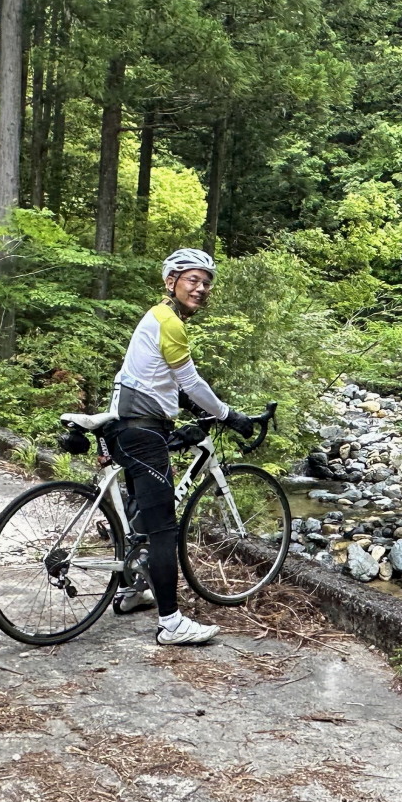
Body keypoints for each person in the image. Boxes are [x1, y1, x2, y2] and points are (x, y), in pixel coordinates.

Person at [107, 248, 255, 645]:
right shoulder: (168, 321)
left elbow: (163, 381)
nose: (201, 288)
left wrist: (192, 407)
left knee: (142, 515)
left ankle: (133, 590)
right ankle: (171, 623)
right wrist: (228, 414)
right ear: (171, 281)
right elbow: (189, 381)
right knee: (163, 529)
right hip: (143, 431)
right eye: (193, 279)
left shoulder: (156, 318)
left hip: (130, 427)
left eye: (206, 283)